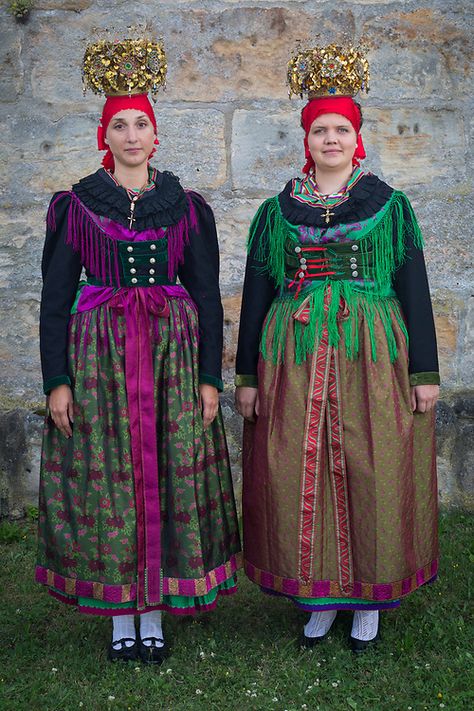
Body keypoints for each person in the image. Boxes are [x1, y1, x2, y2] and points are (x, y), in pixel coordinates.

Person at [36, 34, 241, 664]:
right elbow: (53, 299)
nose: (131, 135)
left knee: (165, 469)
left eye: (141, 124)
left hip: (171, 359)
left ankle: (155, 609)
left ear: (156, 136)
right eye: (119, 124)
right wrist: (57, 382)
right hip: (99, 358)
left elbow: (207, 296)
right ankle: (122, 614)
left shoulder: (186, 207)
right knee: (112, 478)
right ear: (107, 135)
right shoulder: (76, 207)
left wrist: (211, 377)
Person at [235, 44, 439, 653]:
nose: (331, 138)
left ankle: (371, 599)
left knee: (372, 461)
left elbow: (413, 288)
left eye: (341, 129)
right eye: (320, 129)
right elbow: (256, 292)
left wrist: (424, 371)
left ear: (358, 138)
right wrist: (246, 376)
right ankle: (319, 597)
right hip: (294, 353)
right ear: (306, 139)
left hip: (370, 350)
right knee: (300, 464)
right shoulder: (277, 212)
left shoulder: (389, 206)